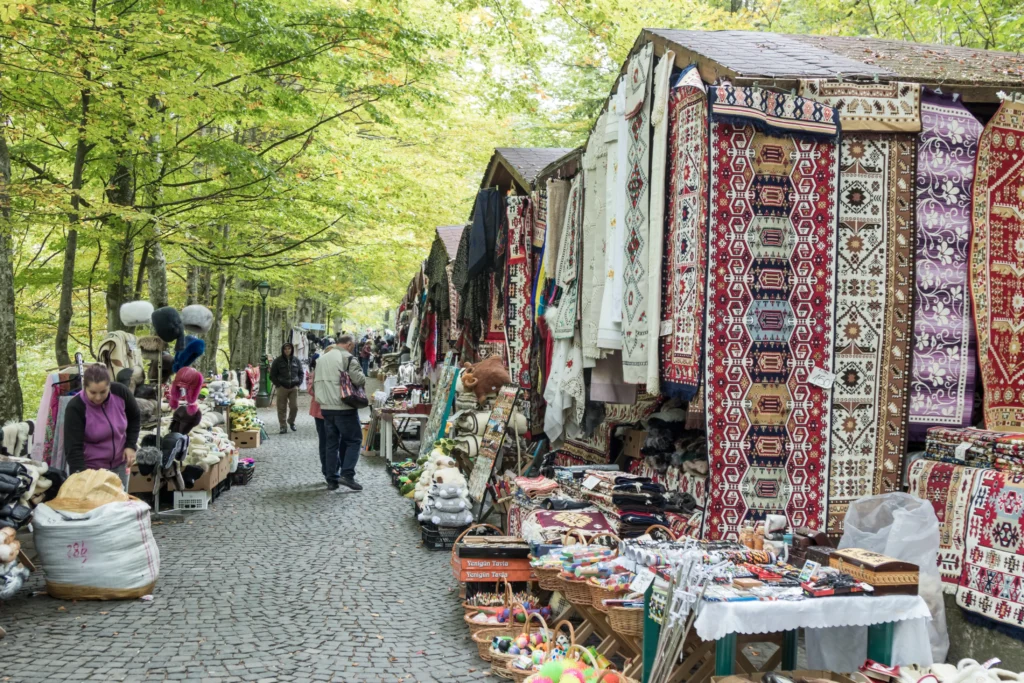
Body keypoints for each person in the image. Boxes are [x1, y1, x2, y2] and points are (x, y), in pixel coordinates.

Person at [63, 363, 141, 489]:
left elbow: (135, 417)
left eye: (103, 392)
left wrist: (131, 445)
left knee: (120, 504)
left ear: (109, 386)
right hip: (90, 470)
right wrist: (81, 478)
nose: (98, 397)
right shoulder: (76, 407)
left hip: (120, 464)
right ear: (85, 388)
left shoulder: (121, 392)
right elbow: (73, 448)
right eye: (93, 392)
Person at [313, 334, 366, 491]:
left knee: (331, 444)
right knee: (355, 440)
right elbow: (359, 380)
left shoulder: (322, 359)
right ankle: (347, 474)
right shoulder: (348, 358)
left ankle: (331, 479)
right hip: (343, 406)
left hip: (326, 407)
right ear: (349, 345)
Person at [269, 342, 303, 434]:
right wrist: (278, 385)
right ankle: (283, 426)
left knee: (294, 407)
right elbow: (272, 375)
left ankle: (291, 421)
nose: (287, 350)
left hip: (293, 387)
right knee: (281, 407)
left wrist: (298, 383)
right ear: (283, 350)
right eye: (285, 349)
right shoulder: (277, 361)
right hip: (282, 387)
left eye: (289, 349)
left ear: (291, 350)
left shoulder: (296, 360)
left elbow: (301, 373)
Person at [307, 353, 328, 483]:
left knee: (334, 441)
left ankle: (333, 468)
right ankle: (326, 470)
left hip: (335, 412)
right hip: (319, 412)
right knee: (324, 441)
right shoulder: (316, 373)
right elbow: (310, 390)